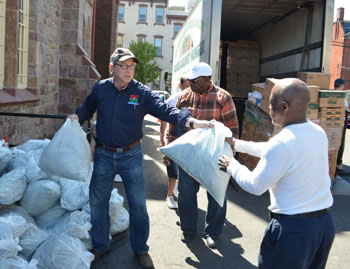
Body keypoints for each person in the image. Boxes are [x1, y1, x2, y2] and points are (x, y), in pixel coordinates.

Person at [69, 48, 211, 269]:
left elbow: (165, 110)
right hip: (104, 154)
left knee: (137, 205)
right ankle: (100, 245)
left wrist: (190, 121)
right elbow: (88, 108)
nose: (129, 71)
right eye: (124, 66)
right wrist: (77, 116)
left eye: (131, 66)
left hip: (131, 155)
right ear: (112, 68)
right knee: (98, 202)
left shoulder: (141, 92)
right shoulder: (101, 88)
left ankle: (140, 249)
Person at [218, 78, 335, 268]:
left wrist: (232, 166)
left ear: (284, 106)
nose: (268, 108)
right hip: (323, 226)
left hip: (294, 232)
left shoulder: (282, 143)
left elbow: (255, 185)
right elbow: (276, 151)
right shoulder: (317, 131)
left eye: (271, 103)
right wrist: (238, 145)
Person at [168, 62, 239, 249]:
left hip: (214, 157)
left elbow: (233, 129)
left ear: (207, 80)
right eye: (189, 79)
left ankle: (212, 233)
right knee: (186, 194)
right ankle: (188, 230)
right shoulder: (184, 97)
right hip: (189, 157)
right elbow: (174, 124)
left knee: (217, 194)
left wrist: (231, 155)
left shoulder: (223, 98)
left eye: (195, 80)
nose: (190, 82)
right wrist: (169, 148)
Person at [159, 77, 190, 209]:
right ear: (180, 85)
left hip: (187, 141)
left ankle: (177, 191)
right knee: (172, 169)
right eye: (187, 86)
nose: (189, 88)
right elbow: (163, 120)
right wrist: (162, 140)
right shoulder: (173, 99)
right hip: (173, 139)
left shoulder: (193, 99)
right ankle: (169, 195)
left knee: (183, 171)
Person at [334, 78, 349, 176]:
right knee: (340, 145)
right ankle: (338, 165)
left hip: (331, 123)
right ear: (342, 86)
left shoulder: (330, 94)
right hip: (340, 124)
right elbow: (347, 109)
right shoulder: (341, 97)